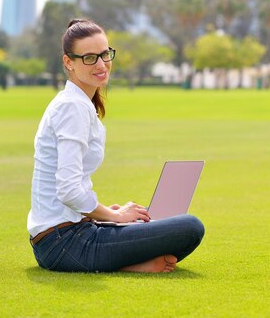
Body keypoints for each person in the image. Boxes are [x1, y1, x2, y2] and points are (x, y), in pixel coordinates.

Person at [27, 19, 205, 273]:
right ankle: (132, 266)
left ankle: (131, 261)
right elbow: (67, 190)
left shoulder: (78, 103)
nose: (101, 64)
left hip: (72, 232)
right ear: (69, 62)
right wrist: (115, 217)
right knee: (190, 227)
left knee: (154, 221)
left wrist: (102, 213)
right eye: (89, 58)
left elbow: (71, 190)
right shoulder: (71, 107)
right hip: (64, 244)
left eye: (104, 54)